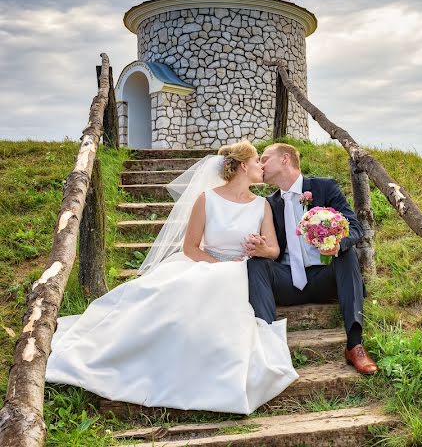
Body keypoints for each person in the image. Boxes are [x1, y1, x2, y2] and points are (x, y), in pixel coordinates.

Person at [45, 141, 298, 414]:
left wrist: (260, 249)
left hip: (242, 272)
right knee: (168, 296)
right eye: (257, 161)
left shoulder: (262, 205)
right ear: (242, 166)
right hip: (205, 264)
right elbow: (190, 248)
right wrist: (219, 264)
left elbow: (273, 251)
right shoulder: (207, 199)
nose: (262, 165)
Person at [246, 142, 378, 375]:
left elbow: (354, 227)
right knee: (256, 263)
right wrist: (260, 246)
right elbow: (271, 248)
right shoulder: (269, 203)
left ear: (285, 159)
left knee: (346, 254)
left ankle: (355, 345)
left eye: (265, 158)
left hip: (325, 278)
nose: (260, 164)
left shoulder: (324, 187)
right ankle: (268, 347)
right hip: (287, 281)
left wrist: (337, 244)